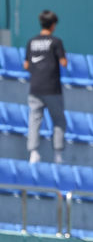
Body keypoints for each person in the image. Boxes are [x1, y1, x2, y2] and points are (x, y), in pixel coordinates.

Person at [23, 9, 68, 166]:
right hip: (52, 88)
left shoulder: (31, 42)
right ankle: (57, 155)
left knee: (34, 120)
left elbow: (26, 65)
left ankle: (33, 153)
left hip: (35, 87)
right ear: (53, 25)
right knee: (59, 120)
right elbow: (63, 63)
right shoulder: (56, 42)